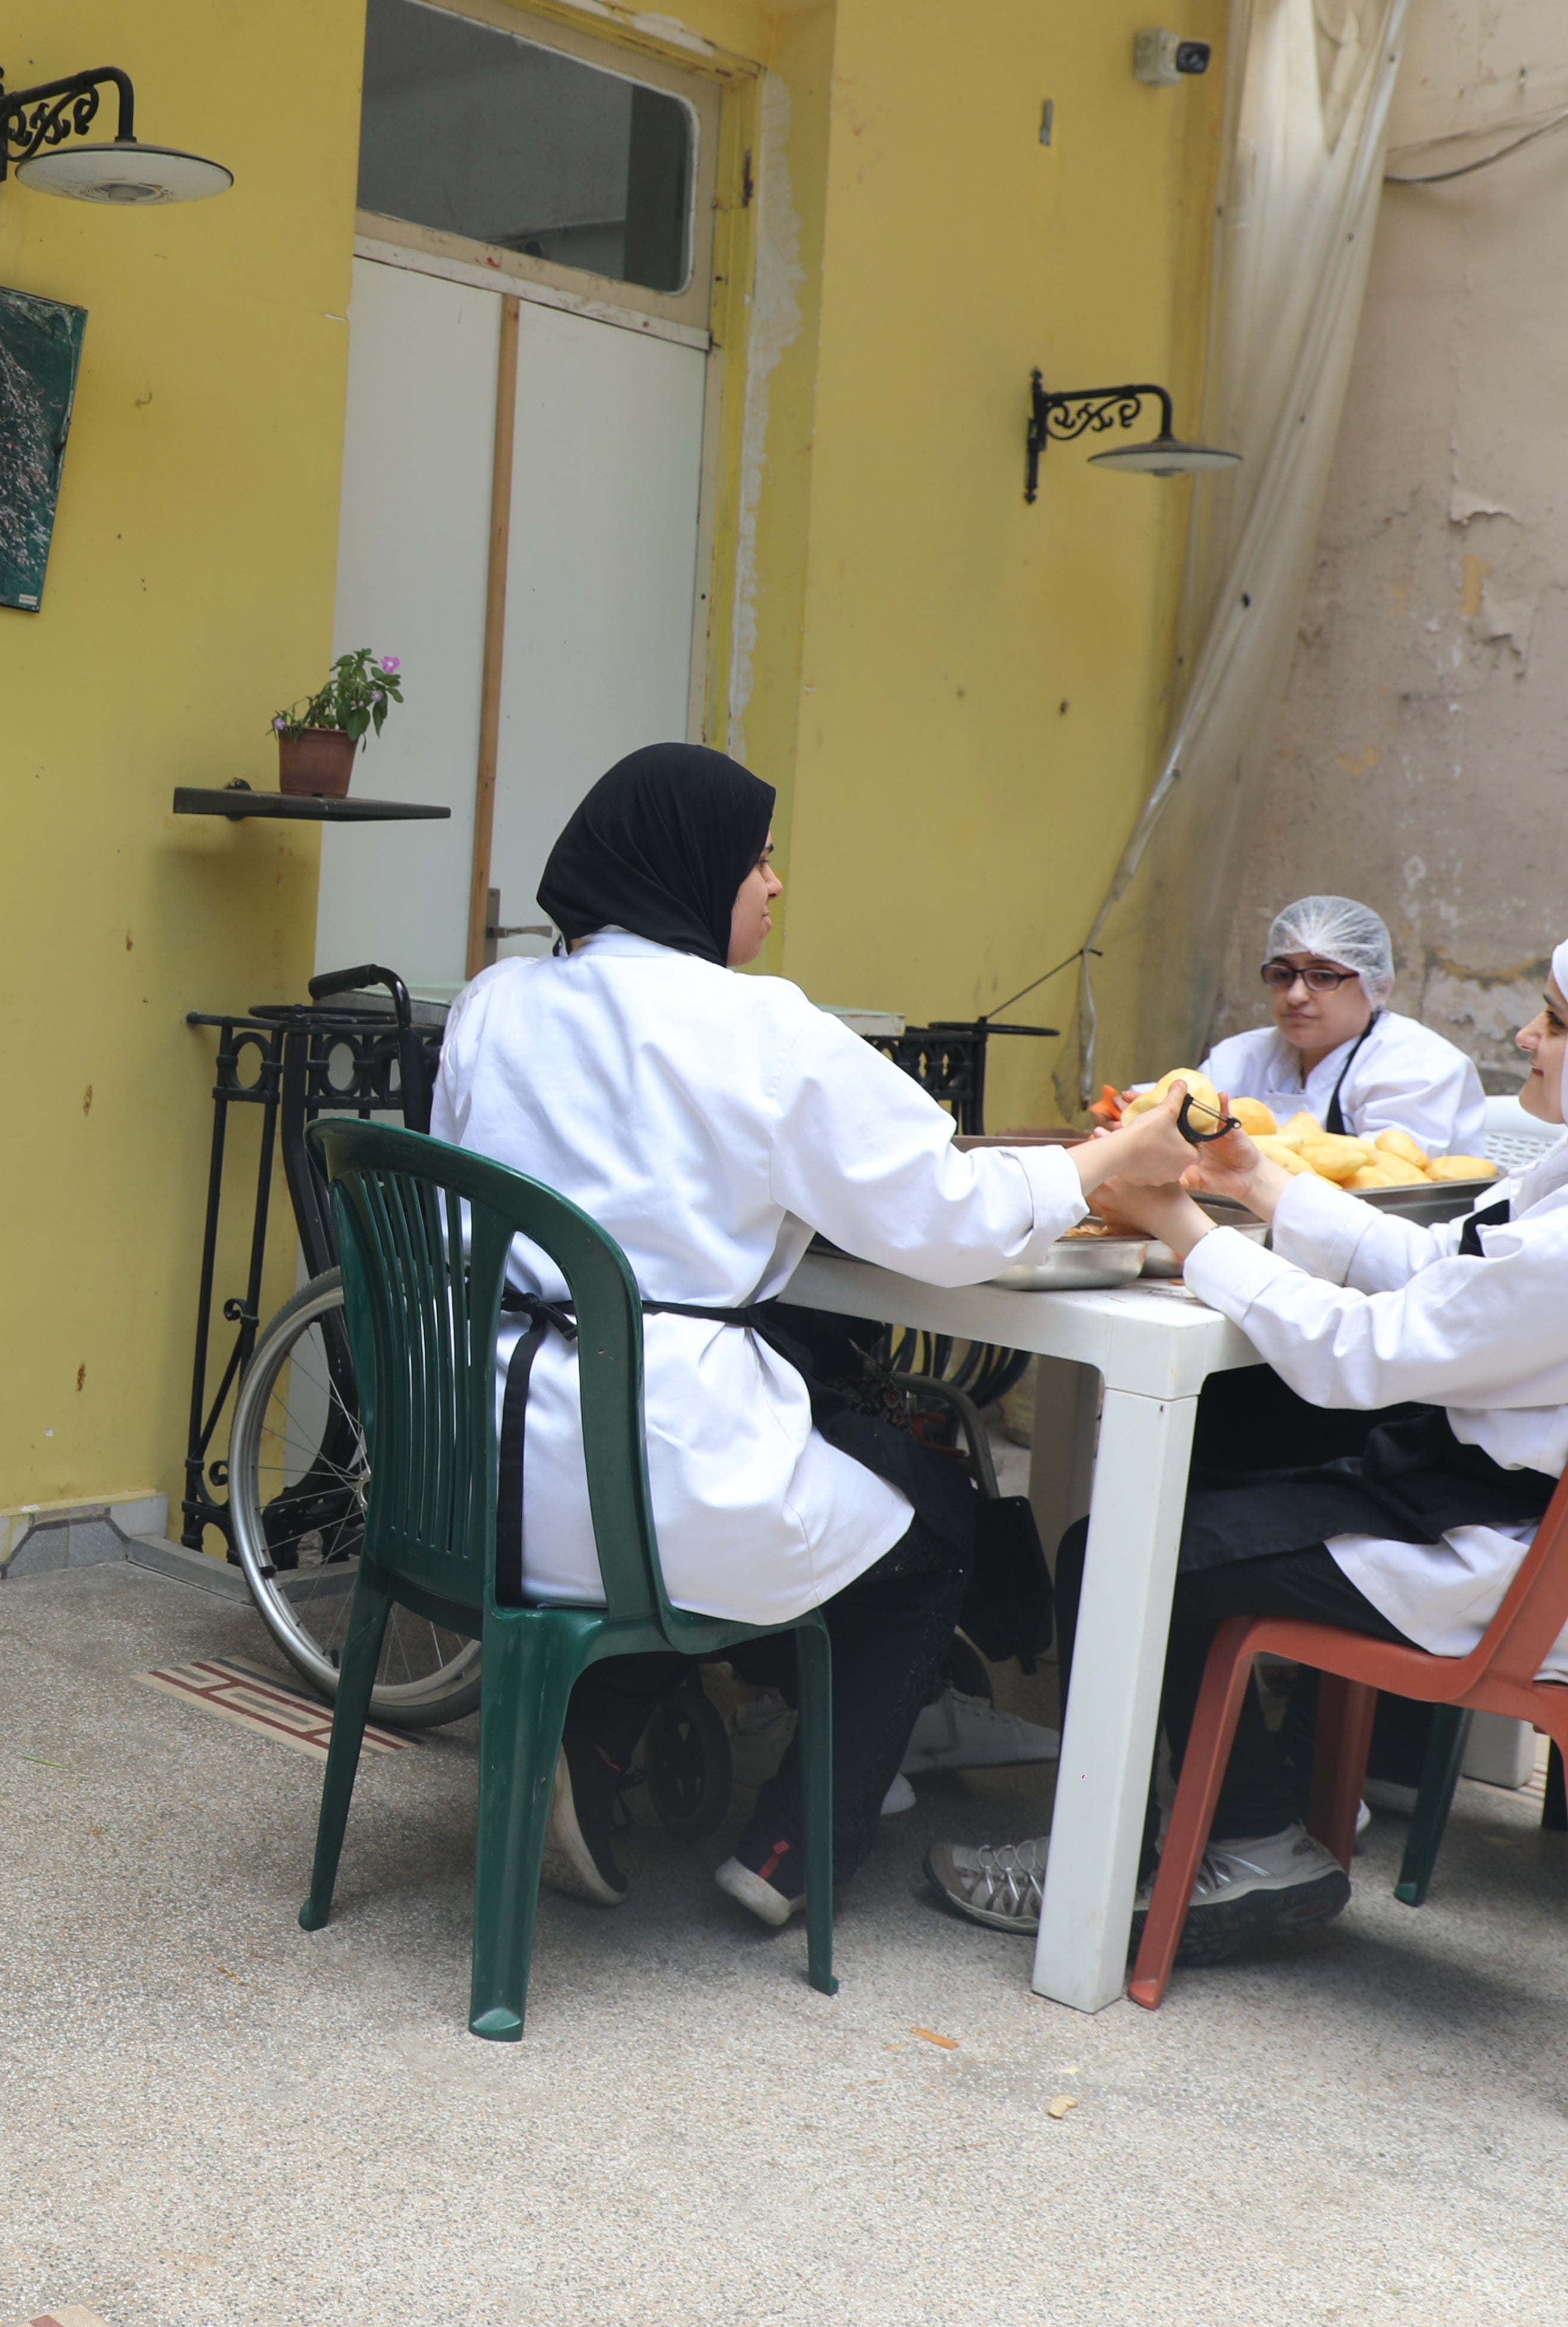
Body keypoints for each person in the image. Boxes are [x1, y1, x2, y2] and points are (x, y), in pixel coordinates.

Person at [928, 908, 1568, 1962]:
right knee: (1211, 1483)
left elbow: (1362, 1355)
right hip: (1560, 1525)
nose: (1526, 1041)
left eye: (1553, 1020)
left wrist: (1175, 1228)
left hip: (1518, 1563)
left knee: (1121, 1552)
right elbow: (1444, 1266)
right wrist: (1249, 1176)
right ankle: (1232, 1811)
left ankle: (1228, 1841)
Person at [428, 743, 1190, 1927]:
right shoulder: (758, 1027)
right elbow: (944, 1214)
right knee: (929, 1505)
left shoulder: (494, 1001)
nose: (776, 885)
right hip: (653, 1481)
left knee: (807, 1441)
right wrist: (1107, 1159)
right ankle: (791, 1847)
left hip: (479, 1477)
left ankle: (602, 1730)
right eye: (760, 860)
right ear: (694, 870)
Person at [1195, 895, 1490, 1157]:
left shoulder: (1421, 1066)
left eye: (1323, 977)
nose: (1296, 996)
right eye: (1283, 974)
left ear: (1375, 985)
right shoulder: (1239, 1056)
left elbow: (1386, 1177)